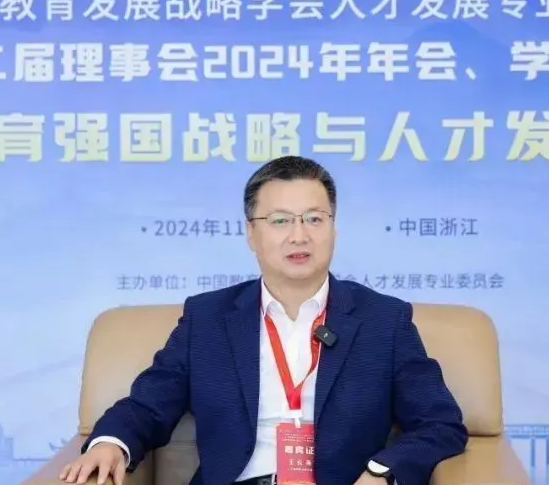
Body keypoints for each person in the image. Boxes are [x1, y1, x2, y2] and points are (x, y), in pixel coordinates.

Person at [59, 156, 468, 485]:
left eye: (314, 218)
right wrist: (110, 443)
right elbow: (148, 405)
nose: (299, 235)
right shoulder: (207, 318)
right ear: (251, 234)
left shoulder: (384, 320)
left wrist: (382, 472)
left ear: (334, 229)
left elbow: (440, 423)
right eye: (280, 221)